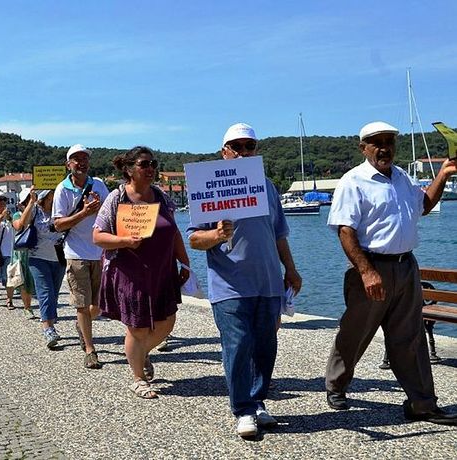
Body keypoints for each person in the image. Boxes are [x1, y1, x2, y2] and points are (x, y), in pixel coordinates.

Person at [325, 121, 457, 425]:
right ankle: (336, 385)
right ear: (363, 148)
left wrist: (443, 174)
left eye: (389, 141)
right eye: (376, 142)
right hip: (370, 267)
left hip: (406, 267)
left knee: (410, 338)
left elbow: (422, 205)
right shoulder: (353, 181)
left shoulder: (401, 177)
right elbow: (345, 231)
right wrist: (367, 272)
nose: (384, 147)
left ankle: (422, 403)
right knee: (355, 333)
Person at [188, 123, 302, 438]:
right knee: (238, 345)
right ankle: (243, 409)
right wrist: (216, 234)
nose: (242, 152)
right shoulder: (207, 187)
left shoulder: (266, 186)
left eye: (248, 146)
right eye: (236, 147)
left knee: (265, 346)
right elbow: (195, 240)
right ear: (223, 151)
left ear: (256, 150)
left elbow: (279, 234)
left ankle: (258, 400)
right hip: (229, 284)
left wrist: (290, 269)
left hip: (267, 282)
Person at [93, 146, 190, 399]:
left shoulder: (161, 197)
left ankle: (138, 353)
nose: (150, 169)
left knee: (167, 323)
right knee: (137, 327)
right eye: (144, 164)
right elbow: (97, 236)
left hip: (163, 271)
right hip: (130, 273)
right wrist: (124, 241)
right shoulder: (117, 198)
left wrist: (185, 263)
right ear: (129, 169)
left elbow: (175, 233)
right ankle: (138, 378)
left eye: (153, 164)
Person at [53, 143, 110, 369]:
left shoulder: (98, 184)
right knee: (82, 305)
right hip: (75, 253)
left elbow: (110, 210)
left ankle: (82, 326)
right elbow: (57, 224)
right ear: (68, 164)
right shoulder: (62, 189)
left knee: (97, 306)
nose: (81, 162)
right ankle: (90, 349)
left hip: (100, 251)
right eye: (76, 159)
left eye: (84, 158)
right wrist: (84, 212)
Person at [16, 188, 66, 348]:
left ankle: (50, 319)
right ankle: (48, 328)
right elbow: (21, 224)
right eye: (50, 196)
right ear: (43, 197)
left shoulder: (61, 209)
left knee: (54, 293)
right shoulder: (35, 211)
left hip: (59, 257)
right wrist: (31, 201)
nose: (53, 198)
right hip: (38, 258)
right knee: (46, 293)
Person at [12, 189, 37, 316]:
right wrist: (31, 204)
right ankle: (27, 306)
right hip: (22, 252)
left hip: (36, 250)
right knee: (24, 280)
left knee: (34, 280)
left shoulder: (37, 213)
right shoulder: (16, 215)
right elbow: (20, 225)